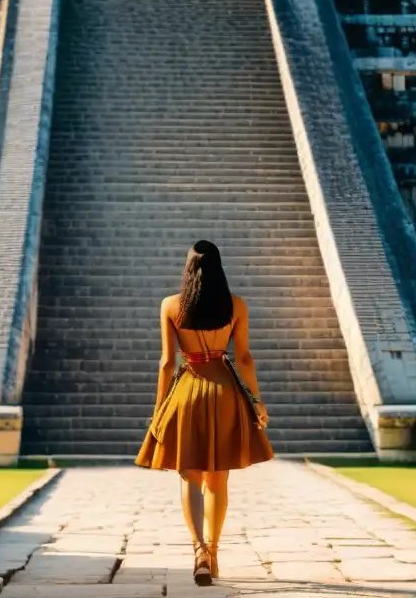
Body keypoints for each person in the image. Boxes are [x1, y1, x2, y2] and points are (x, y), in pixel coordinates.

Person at [136, 240, 274, 586]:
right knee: (218, 479)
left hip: (187, 391)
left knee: (190, 476)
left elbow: (167, 363)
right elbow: (244, 359)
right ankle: (213, 551)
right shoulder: (236, 306)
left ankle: (197, 548)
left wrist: (158, 412)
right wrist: (256, 400)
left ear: (188, 268)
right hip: (225, 391)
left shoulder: (171, 305)